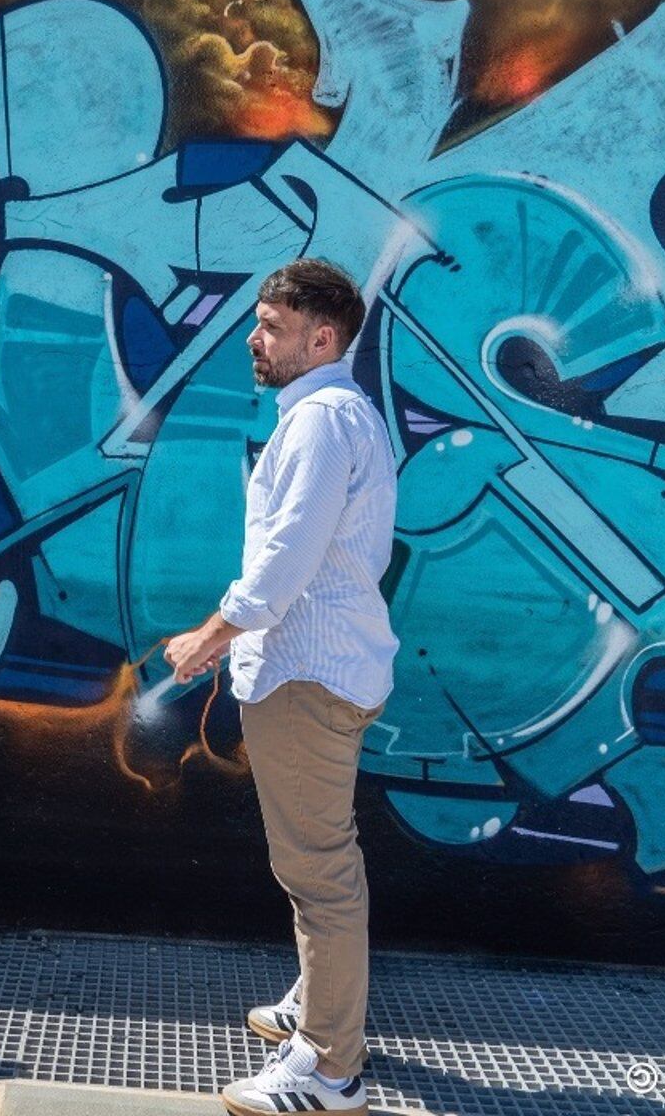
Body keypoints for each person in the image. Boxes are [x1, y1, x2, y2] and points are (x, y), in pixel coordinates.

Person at [163, 259, 399, 1116]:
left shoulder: (322, 424)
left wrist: (211, 635)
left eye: (270, 324)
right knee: (319, 860)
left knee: (320, 873)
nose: (254, 338)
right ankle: (319, 996)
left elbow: (284, 561)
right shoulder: (335, 416)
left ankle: (330, 1070)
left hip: (308, 678)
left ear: (322, 337)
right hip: (319, 668)